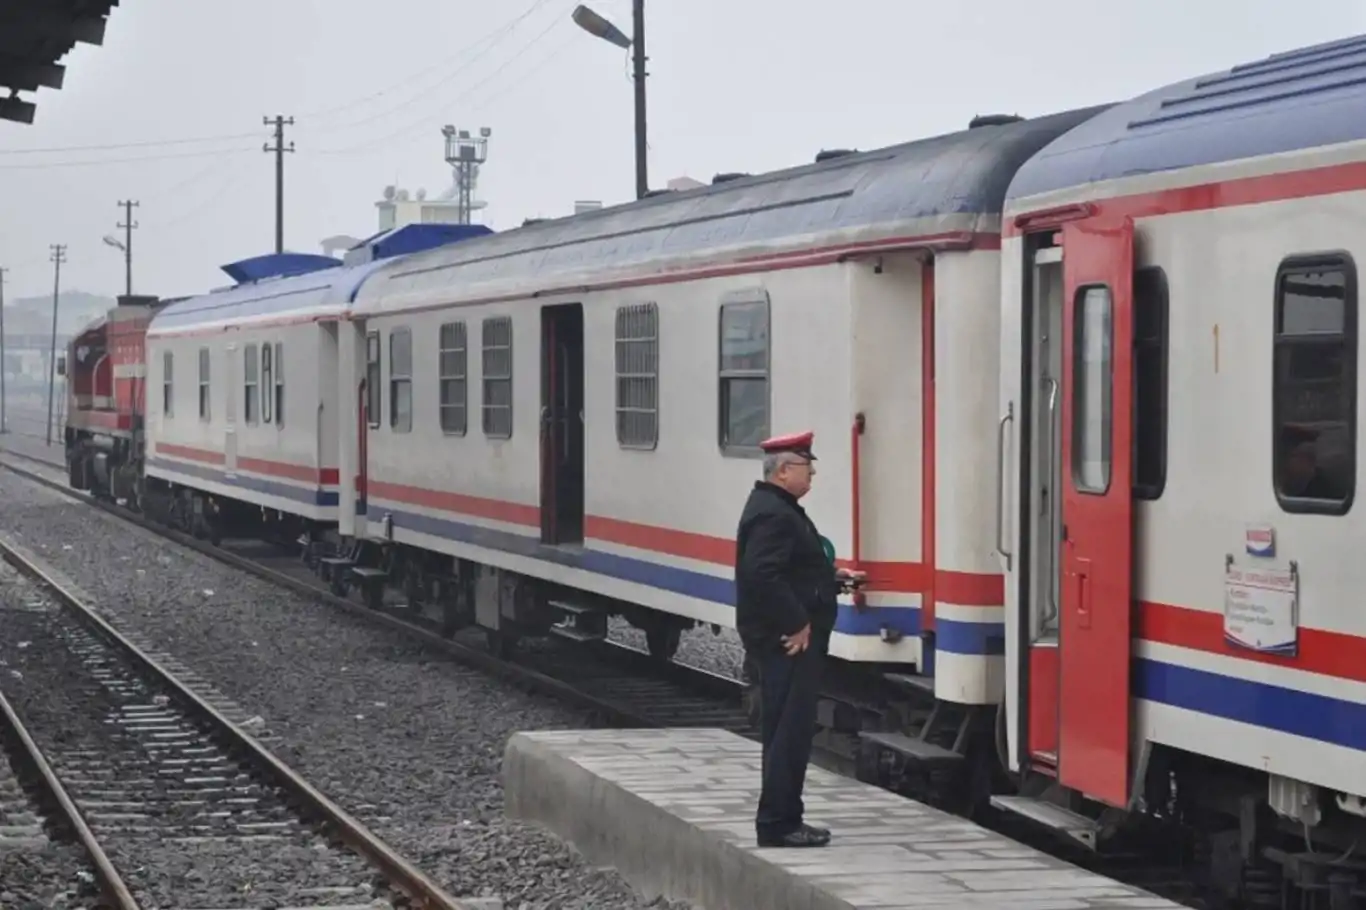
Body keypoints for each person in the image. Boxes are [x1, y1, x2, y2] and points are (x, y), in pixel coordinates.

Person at [734, 429, 865, 849]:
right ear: (785, 470)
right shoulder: (775, 513)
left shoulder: (777, 506)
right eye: (807, 469)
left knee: (787, 730)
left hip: (785, 639)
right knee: (789, 732)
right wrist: (797, 622)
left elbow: (790, 570)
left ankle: (783, 817)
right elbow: (763, 574)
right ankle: (778, 823)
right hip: (788, 643)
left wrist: (831, 579)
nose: (812, 477)